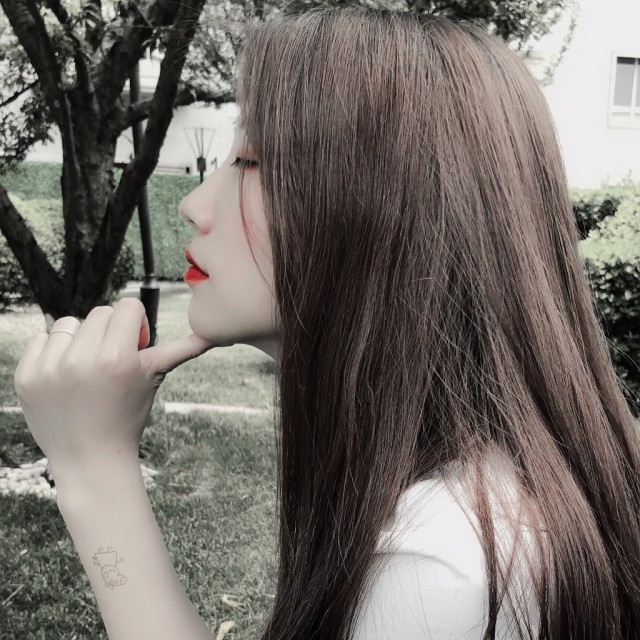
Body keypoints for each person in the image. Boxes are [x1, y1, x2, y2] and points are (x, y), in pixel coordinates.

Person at [13, 5, 640, 640]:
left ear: (388, 208)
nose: (196, 205)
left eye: (250, 161)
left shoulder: (443, 574)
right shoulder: (469, 509)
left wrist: (94, 467)